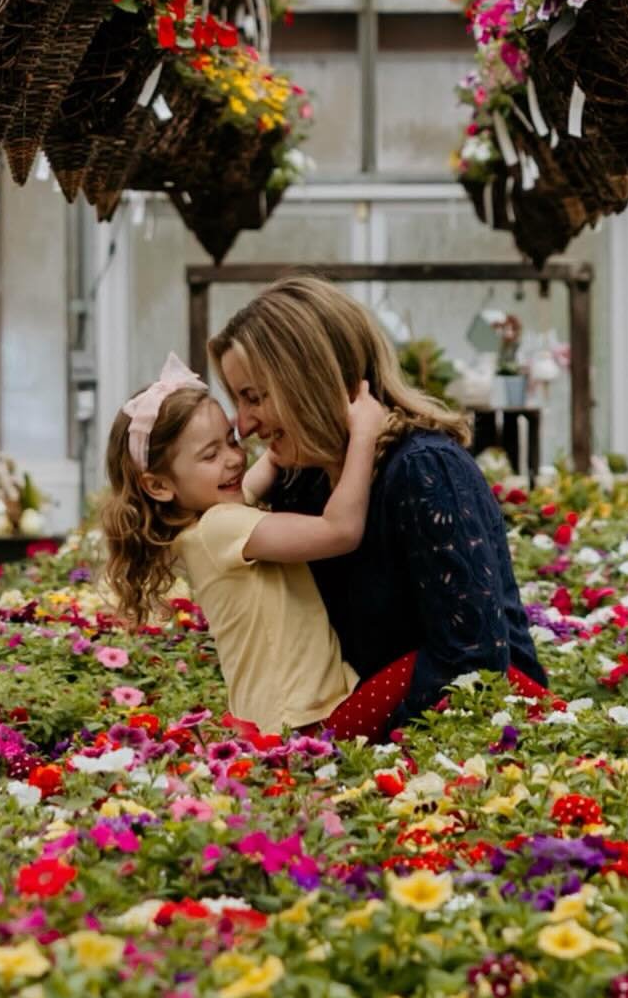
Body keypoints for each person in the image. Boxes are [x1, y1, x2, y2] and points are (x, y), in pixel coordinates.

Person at [210, 275, 544, 725]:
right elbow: (215, 529)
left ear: (311, 380)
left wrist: (350, 744)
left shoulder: (424, 470)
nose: (244, 425)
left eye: (254, 398)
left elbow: (475, 666)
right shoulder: (299, 481)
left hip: (482, 744)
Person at [100, 352, 414, 739]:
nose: (233, 458)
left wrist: (283, 440)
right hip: (305, 723)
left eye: (231, 440)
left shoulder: (205, 520)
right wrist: (364, 433)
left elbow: (257, 475)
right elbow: (340, 531)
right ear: (159, 486)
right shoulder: (220, 527)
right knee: (428, 664)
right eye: (210, 454)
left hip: (284, 720)